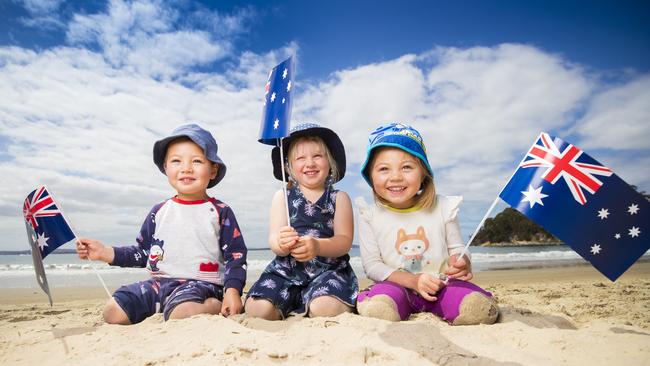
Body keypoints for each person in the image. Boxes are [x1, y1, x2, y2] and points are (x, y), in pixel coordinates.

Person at [76, 123, 247, 324]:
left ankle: (212, 305)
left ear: (213, 170)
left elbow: (236, 256)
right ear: (166, 168)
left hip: (201, 285)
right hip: (159, 284)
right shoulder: (159, 211)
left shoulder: (219, 211)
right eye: (176, 161)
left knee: (181, 314)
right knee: (114, 311)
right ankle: (162, 306)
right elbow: (143, 252)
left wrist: (232, 291)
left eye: (197, 161)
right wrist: (105, 252)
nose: (186, 168)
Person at [356, 122, 498, 325]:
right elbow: (372, 266)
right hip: (398, 286)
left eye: (406, 167)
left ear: (423, 173)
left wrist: (461, 260)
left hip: (442, 285)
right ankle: (388, 306)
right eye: (384, 169)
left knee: (474, 305)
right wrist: (412, 281)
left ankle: (464, 307)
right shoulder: (369, 215)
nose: (395, 177)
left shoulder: (443, 207)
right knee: (383, 301)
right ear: (371, 176)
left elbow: (457, 247)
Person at [245, 123, 358, 320]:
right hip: (286, 270)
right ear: (288, 166)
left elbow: (344, 241)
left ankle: (314, 300)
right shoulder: (282, 197)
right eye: (300, 158)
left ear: (330, 161)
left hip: (328, 270)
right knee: (258, 310)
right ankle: (292, 300)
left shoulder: (339, 198)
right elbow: (273, 240)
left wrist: (317, 246)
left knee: (325, 308)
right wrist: (281, 243)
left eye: (317, 156)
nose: (310, 163)